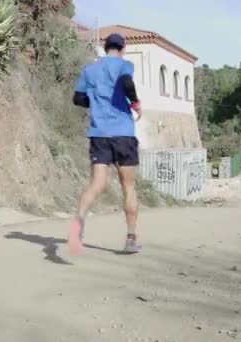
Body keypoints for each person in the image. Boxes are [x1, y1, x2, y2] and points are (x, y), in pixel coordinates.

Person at [68, 33, 142, 255]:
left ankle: (77, 225)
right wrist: (136, 104)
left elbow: (77, 98)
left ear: (104, 46)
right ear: (123, 47)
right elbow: (127, 83)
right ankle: (130, 239)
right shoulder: (124, 65)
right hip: (123, 133)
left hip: (99, 134)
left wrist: (97, 101)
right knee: (127, 186)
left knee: (97, 183)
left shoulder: (91, 70)